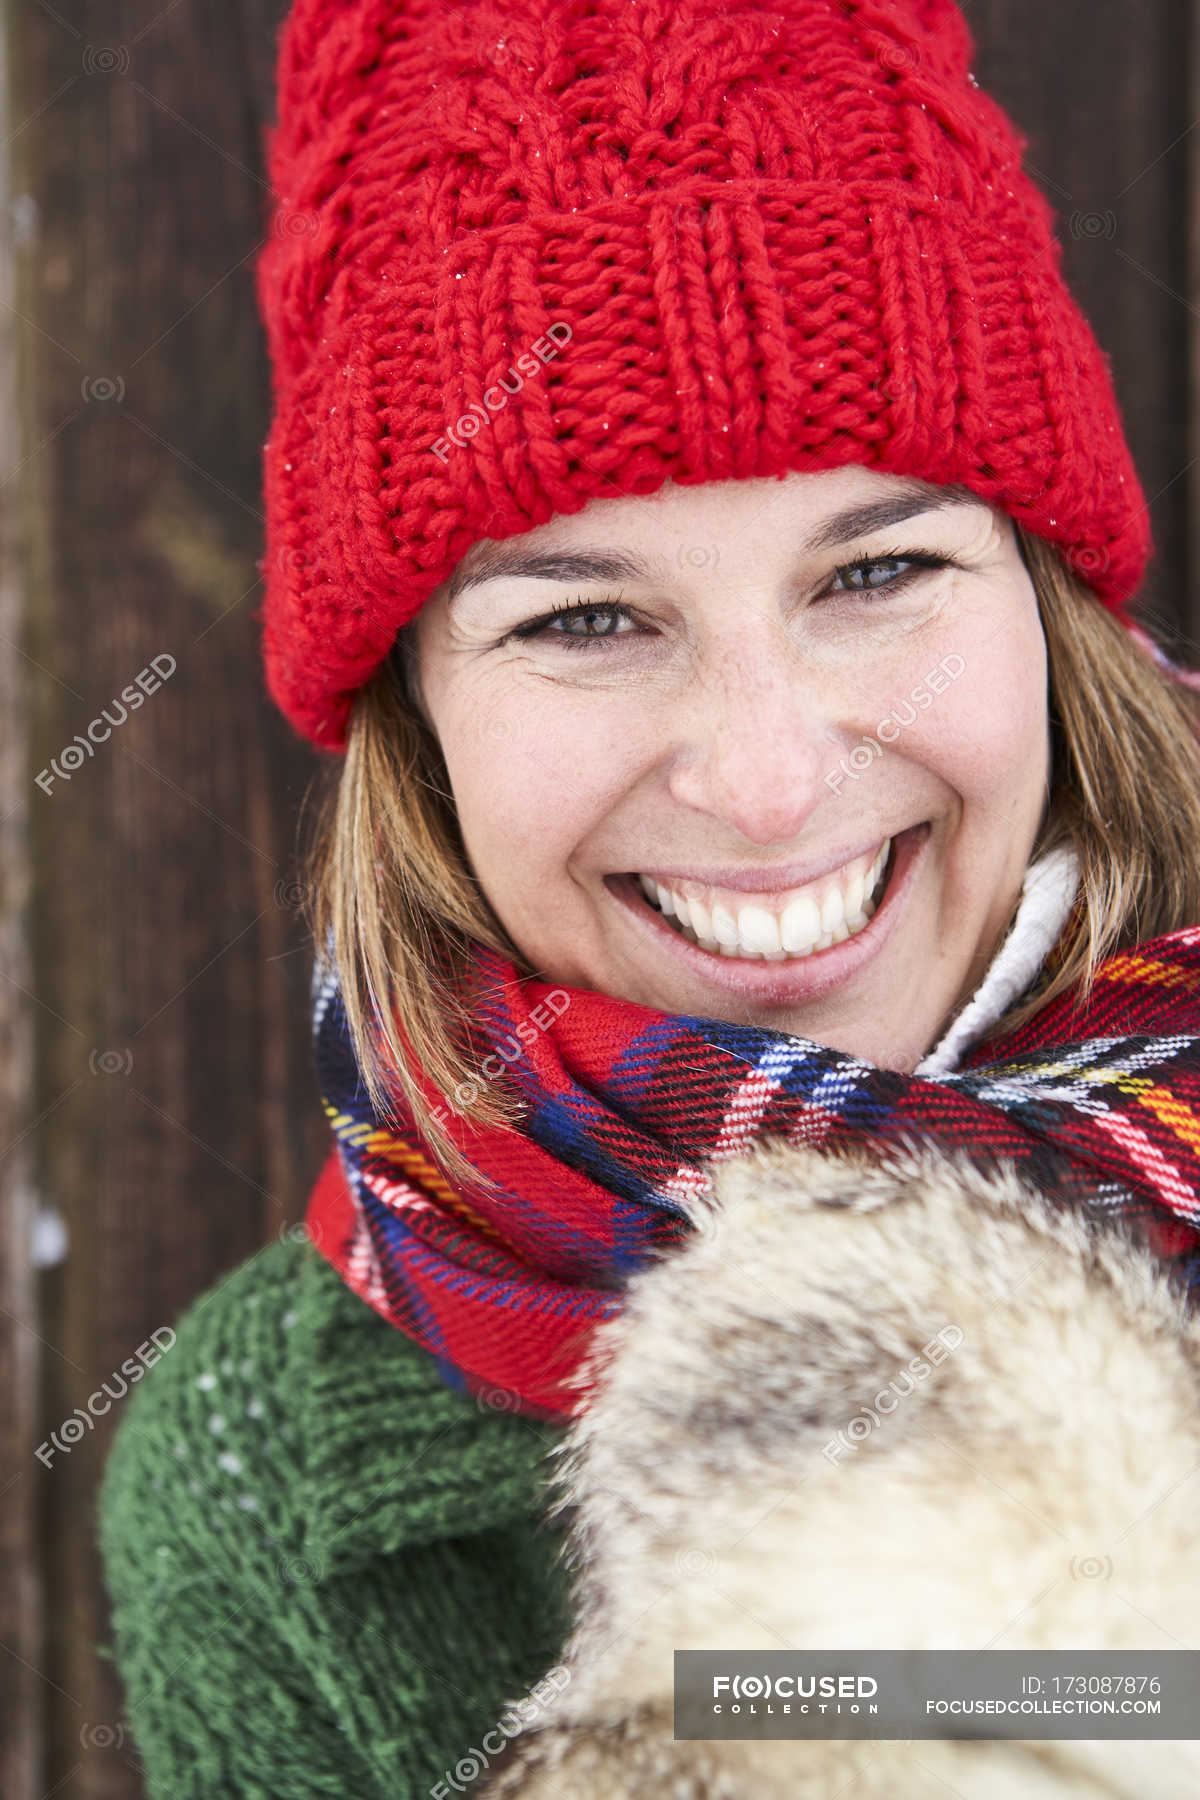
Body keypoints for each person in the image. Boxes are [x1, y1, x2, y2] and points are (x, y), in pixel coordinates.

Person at [95, 0, 1200, 1794]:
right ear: (417, 715)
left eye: (884, 568)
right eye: (585, 619)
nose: (765, 779)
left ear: (1044, 598)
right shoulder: (265, 1481)